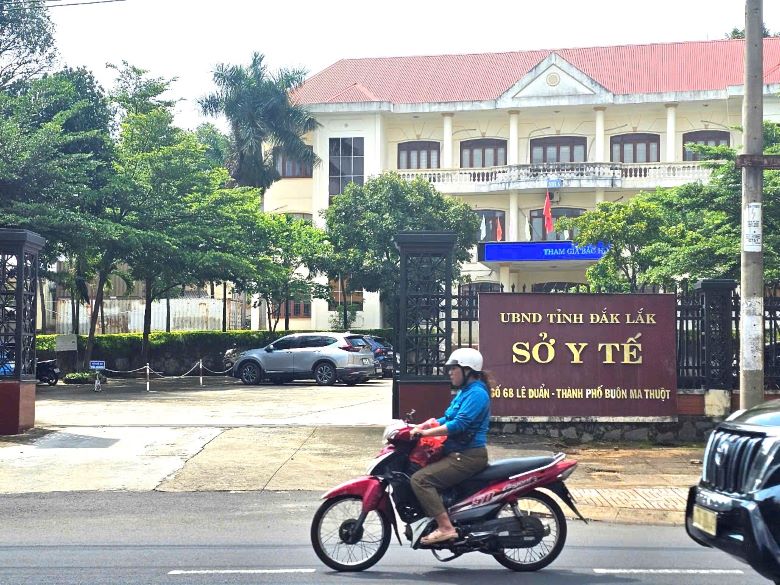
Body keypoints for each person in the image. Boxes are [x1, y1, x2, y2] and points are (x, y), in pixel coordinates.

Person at [409, 347, 491, 545]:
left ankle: (446, 527)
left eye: (453, 369)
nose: (450, 373)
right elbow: (446, 418)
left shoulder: (477, 394)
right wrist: (420, 425)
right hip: (457, 452)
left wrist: (425, 433)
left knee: (420, 480)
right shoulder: (465, 392)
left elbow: (458, 425)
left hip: (468, 455)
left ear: (467, 370)